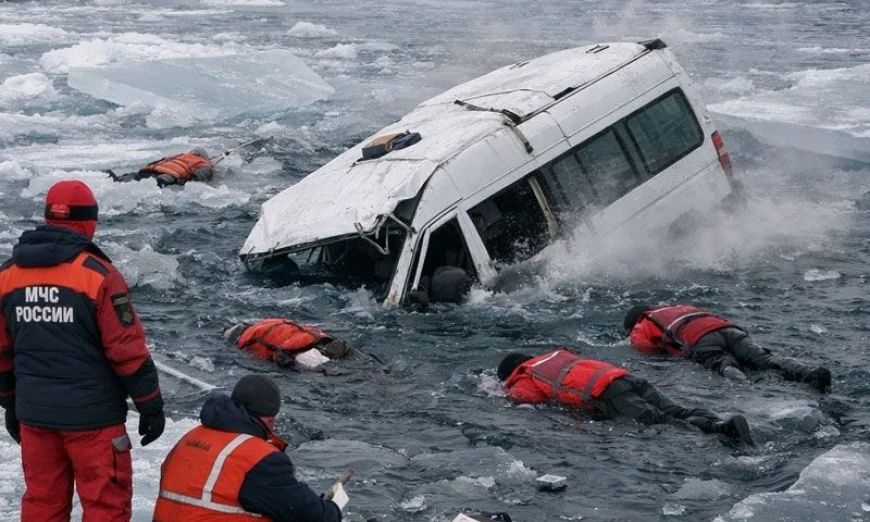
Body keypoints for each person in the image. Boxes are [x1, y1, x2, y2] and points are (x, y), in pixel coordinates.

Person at [0, 180, 165, 521]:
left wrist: (11, 403)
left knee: (42, 506)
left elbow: (1, 352)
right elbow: (126, 349)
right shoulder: (99, 275)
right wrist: (150, 405)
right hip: (94, 420)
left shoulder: (8, 276)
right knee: (106, 506)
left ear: (48, 218)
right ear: (90, 221)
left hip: (35, 417)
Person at [153, 374, 343, 522]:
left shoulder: (190, 438)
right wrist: (333, 506)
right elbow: (309, 515)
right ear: (270, 419)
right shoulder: (258, 459)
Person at [497, 349, 754, 446]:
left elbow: (526, 400)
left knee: (662, 421)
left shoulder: (523, 376)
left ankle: (721, 429)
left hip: (607, 394)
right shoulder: (555, 355)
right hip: (624, 378)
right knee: (676, 410)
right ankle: (721, 421)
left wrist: (503, 395)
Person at [623, 304, 832, 392]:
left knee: (722, 364)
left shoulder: (643, 323)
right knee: (764, 360)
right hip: (729, 329)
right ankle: (810, 373)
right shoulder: (680, 306)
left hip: (699, 339)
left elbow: (645, 351)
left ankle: (746, 389)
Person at [222, 318, 358, 370]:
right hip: (326, 342)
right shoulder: (268, 322)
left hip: (302, 353)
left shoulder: (247, 339)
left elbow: (277, 355)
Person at [106, 147, 213, 187]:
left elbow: (159, 161)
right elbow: (199, 177)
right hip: (167, 176)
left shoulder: (180, 155)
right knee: (154, 184)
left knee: (134, 177)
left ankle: (111, 177)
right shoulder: (203, 164)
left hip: (151, 170)